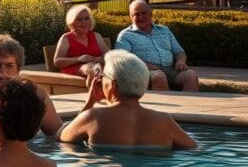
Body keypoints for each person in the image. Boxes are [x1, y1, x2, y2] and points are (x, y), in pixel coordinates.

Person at [58, 50, 196, 149]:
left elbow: (61, 136)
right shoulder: (164, 121)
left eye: (103, 77)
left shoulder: (93, 117)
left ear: (111, 85)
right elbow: (192, 148)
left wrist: (89, 103)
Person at [116, 0, 199, 92]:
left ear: (151, 14)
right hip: (143, 71)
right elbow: (122, 59)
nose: (141, 17)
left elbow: (179, 51)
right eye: (136, 14)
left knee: (191, 75)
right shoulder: (125, 35)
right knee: (159, 77)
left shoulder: (164, 30)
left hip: (171, 68)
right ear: (131, 17)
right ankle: (168, 106)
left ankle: (187, 105)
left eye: (144, 13)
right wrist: (145, 65)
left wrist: (181, 61)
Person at [53, 4, 107, 86]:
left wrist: (97, 58)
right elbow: (57, 61)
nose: (84, 22)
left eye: (86, 19)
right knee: (93, 69)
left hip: (97, 66)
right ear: (72, 22)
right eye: (79, 19)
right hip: (74, 70)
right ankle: (93, 96)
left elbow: (108, 55)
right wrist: (79, 59)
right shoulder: (66, 38)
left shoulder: (96, 36)